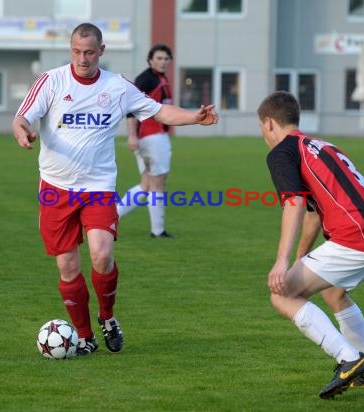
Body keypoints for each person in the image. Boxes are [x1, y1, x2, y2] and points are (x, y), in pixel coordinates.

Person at [12, 23, 218, 356]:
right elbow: (22, 117)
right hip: (55, 188)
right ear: (70, 50)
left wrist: (195, 117)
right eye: (77, 51)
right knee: (67, 266)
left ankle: (107, 317)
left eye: (89, 52)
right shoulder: (51, 81)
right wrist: (22, 132)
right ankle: (84, 334)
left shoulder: (118, 87)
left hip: (98, 187)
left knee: (102, 254)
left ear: (101, 51)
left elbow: (159, 110)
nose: (82, 59)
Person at [258, 91, 364, 399]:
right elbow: (312, 214)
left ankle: (349, 361)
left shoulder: (282, 151)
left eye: (261, 128)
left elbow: (293, 203)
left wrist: (282, 262)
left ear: (269, 123)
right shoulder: (321, 145)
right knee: (334, 293)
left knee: (281, 295)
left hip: (357, 235)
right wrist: (299, 257)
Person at [116, 44, 176, 238]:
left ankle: (111, 217)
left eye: (166, 58)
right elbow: (131, 109)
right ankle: (158, 231)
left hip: (155, 136)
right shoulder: (146, 79)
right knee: (158, 183)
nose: (163, 61)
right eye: (159, 58)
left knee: (147, 184)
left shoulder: (160, 78)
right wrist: (132, 135)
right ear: (150, 60)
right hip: (151, 137)